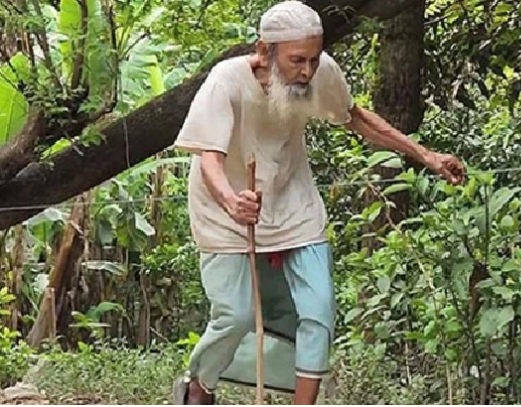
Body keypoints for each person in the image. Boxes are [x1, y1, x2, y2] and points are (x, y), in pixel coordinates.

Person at [171, 1, 465, 404]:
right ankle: (200, 385)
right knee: (235, 315)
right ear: (264, 51)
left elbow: (356, 117)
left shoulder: (320, 72)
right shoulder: (226, 80)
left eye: (313, 59)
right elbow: (209, 158)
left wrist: (427, 156)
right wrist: (231, 202)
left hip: (294, 206)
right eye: (297, 60)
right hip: (226, 213)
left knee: (319, 311)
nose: (307, 71)